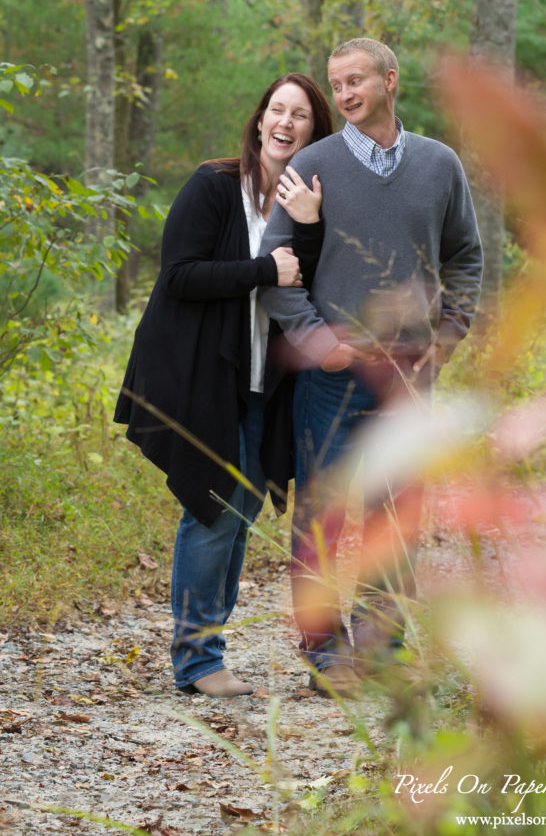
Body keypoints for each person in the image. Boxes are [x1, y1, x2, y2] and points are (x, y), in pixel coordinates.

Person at [259, 38, 484, 696]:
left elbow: (465, 256)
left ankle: (380, 645)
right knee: (324, 513)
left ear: (390, 80)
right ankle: (322, 652)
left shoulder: (439, 166)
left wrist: (450, 331)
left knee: (399, 512)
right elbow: (279, 265)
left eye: (356, 80)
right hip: (331, 377)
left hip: (412, 376)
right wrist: (312, 337)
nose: (345, 94)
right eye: (336, 84)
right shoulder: (312, 162)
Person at [114, 73, 333, 698]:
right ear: (259, 119)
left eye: (300, 116)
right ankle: (198, 661)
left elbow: (313, 284)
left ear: (313, 134)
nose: (285, 123)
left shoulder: (306, 201)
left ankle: (205, 651)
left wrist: (310, 226)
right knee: (213, 507)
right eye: (276, 110)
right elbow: (179, 274)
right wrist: (263, 268)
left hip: (264, 378)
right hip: (200, 370)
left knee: (238, 511)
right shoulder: (214, 185)